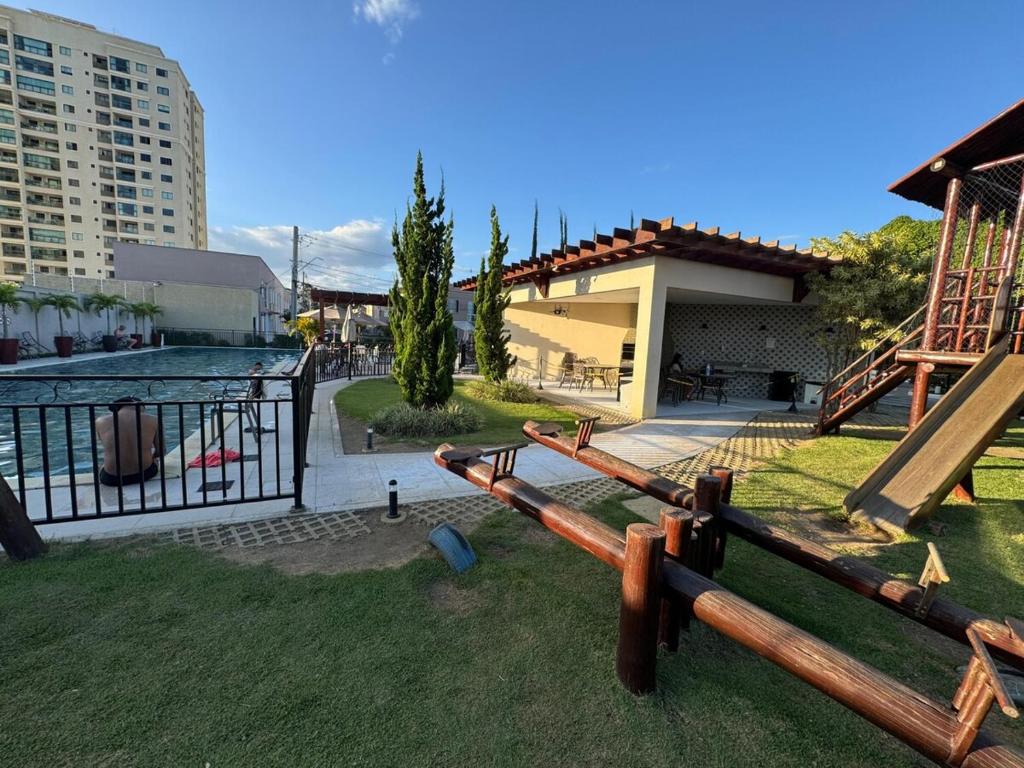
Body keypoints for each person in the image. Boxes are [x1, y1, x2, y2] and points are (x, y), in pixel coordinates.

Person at [94, 397, 163, 487]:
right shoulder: (154, 419)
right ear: (139, 404)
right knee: (154, 460)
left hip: (111, 478)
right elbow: (160, 451)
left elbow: (107, 447)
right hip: (145, 473)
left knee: (102, 465)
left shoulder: (100, 421)